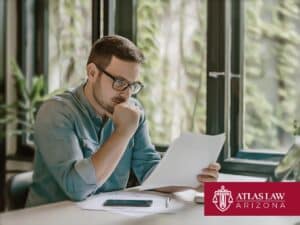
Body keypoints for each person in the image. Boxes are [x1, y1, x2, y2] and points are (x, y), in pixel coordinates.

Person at [26, 35, 220, 207]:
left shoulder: (133, 111)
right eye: (119, 82)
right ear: (92, 73)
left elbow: (149, 172)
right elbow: (78, 189)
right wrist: (123, 132)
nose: (126, 93)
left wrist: (192, 178)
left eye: (132, 85)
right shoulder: (56, 112)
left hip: (104, 216)